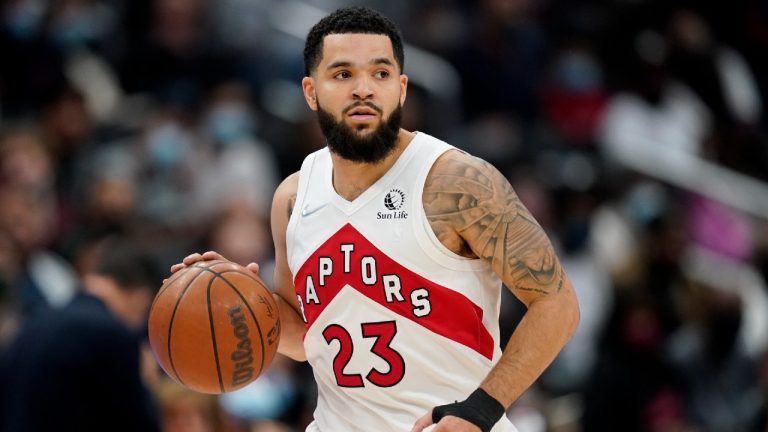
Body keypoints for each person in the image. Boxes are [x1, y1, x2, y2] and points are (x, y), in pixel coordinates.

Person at [172, 6, 580, 432]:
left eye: (380, 73)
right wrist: (231, 297)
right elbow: (304, 337)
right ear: (311, 91)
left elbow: (558, 305)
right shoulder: (293, 197)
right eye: (343, 74)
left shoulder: (457, 183)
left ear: (402, 89)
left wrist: (481, 410)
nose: (363, 89)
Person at [0, 236, 161, 432]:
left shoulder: (36, 321)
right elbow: (138, 423)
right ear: (141, 298)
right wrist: (145, 383)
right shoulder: (112, 334)